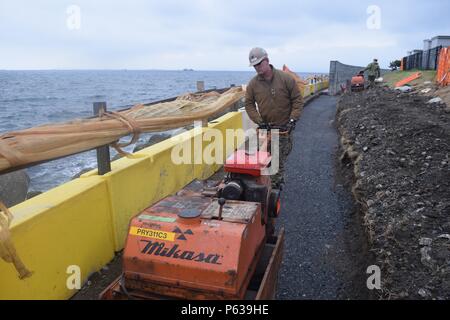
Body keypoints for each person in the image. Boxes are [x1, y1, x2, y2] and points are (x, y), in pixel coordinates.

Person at [245, 47, 304, 190]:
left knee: (278, 159)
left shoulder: (285, 79)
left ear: (267, 60)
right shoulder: (253, 84)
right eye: (255, 66)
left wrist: (293, 119)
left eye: (259, 64)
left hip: (283, 128)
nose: (257, 68)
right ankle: (266, 184)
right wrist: (259, 121)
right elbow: (249, 104)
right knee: (264, 158)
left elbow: (297, 100)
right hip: (265, 128)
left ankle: (275, 188)